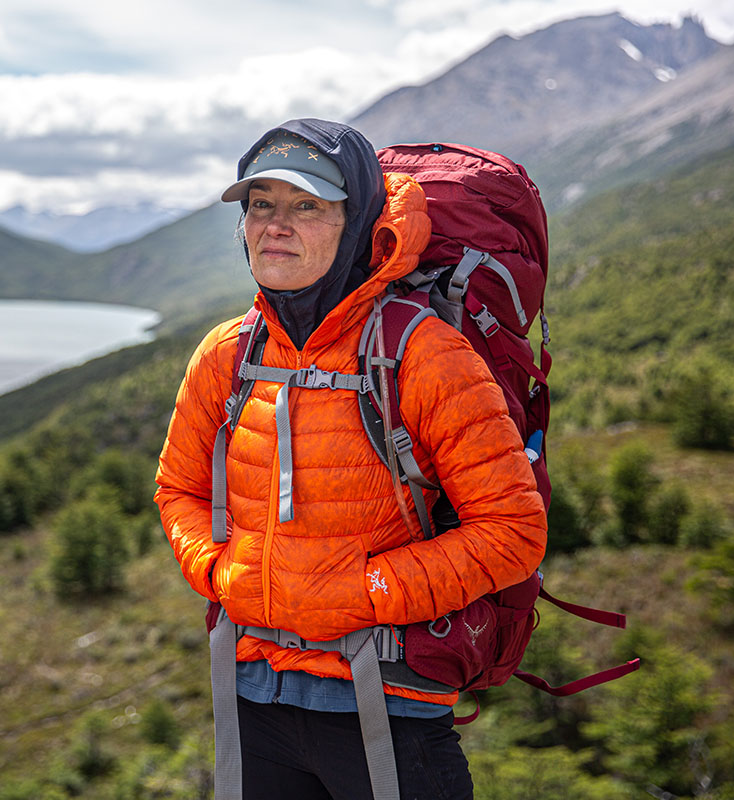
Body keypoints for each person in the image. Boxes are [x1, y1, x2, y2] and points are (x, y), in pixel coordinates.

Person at [154, 118, 547, 800]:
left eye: (307, 205)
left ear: (357, 222)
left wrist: (364, 593)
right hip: (252, 695)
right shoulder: (229, 353)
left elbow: (512, 532)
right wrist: (221, 572)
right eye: (260, 204)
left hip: (387, 705)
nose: (276, 224)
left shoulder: (424, 355)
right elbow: (177, 489)